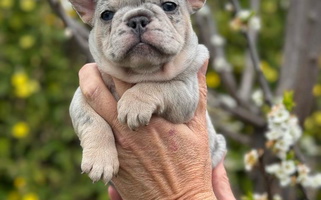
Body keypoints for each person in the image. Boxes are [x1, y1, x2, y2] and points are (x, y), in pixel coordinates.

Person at [78, 61, 236, 200]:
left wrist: (187, 195)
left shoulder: (183, 64)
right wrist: (98, 138)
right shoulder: (103, 70)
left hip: (205, 171)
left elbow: (185, 106)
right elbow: (84, 100)